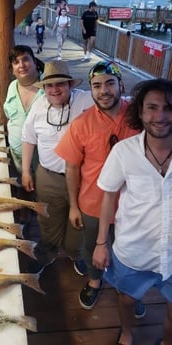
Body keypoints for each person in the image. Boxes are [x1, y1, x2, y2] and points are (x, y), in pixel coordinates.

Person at [55, 60, 145, 317]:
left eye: (109, 83)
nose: (103, 90)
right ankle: (95, 281)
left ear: (121, 84)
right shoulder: (81, 124)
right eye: (96, 86)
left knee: (132, 250)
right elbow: (71, 168)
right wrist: (73, 205)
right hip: (92, 203)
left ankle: (129, 290)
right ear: (91, 90)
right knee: (92, 246)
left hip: (133, 204)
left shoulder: (140, 118)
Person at [93, 78, 172, 345]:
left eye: (168, 108)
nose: (160, 116)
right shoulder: (124, 152)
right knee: (126, 299)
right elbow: (108, 196)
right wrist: (102, 243)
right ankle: (127, 332)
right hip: (133, 250)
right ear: (140, 112)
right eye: (151, 107)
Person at [21, 60, 94, 274]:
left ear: (71, 85)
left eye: (60, 84)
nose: (54, 90)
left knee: (78, 226)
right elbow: (28, 137)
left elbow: (118, 100)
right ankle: (46, 255)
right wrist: (26, 170)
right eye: (49, 85)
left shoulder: (86, 100)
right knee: (48, 222)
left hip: (82, 179)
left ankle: (76, 254)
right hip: (48, 176)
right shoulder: (39, 104)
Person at [3, 45, 44, 236]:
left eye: (26, 59)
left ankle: (46, 224)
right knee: (22, 185)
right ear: (12, 69)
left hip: (42, 157)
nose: (22, 65)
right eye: (16, 62)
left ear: (35, 62)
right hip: (17, 154)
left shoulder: (48, 88)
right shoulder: (12, 87)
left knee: (45, 190)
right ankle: (26, 213)